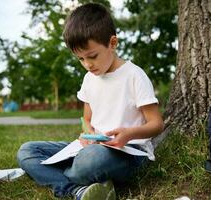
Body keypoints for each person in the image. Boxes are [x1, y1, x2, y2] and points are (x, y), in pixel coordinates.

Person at [17, 3, 164, 200]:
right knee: (27, 151)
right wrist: (87, 132)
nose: (87, 65)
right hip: (91, 147)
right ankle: (76, 189)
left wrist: (128, 134)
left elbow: (157, 124)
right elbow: (87, 119)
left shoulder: (134, 75)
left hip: (128, 152)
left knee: (93, 159)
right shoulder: (89, 79)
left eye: (92, 56)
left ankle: (59, 174)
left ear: (112, 43)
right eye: (80, 59)